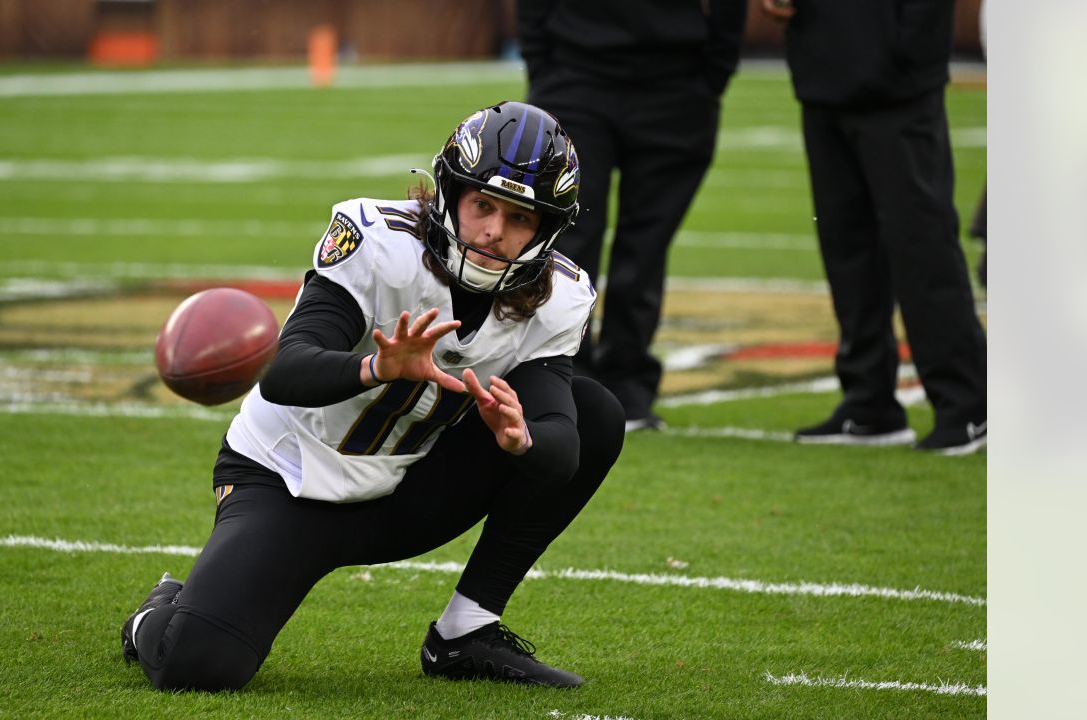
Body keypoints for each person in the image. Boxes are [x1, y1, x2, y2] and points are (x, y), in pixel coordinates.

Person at [119, 102, 626, 691]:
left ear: (547, 230)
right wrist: (375, 366)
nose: (494, 231)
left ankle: (466, 633)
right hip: (289, 480)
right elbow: (283, 370)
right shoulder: (379, 244)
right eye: (483, 205)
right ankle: (155, 615)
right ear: (449, 193)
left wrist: (522, 440)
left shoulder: (557, 297)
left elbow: (563, 443)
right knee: (198, 667)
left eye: (519, 218)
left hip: (405, 488)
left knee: (596, 413)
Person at [761, 0, 987, 455]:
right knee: (847, 245)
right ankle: (869, 402)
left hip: (899, 77)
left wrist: (910, 50)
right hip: (823, 67)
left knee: (921, 242)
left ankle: (968, 404)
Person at [518, 0, 747, 431]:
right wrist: (543, 64)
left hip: (675, 80)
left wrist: (714, 72)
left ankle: (629, 380)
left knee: (647, 244)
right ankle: (564, 375)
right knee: (568, 233)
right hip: (576, 72)